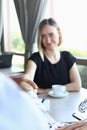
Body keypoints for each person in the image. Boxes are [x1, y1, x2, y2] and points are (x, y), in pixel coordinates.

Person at [20, 18, 82, 93]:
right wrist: (25, 81)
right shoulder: (35, 58)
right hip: (43, 103)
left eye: (51, 35)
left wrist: (45, 90)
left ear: (59, 33)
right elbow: (28, 76)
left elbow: (77, 85)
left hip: (66, 102)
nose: (48, 40)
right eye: (43, 36)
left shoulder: (67, 57)